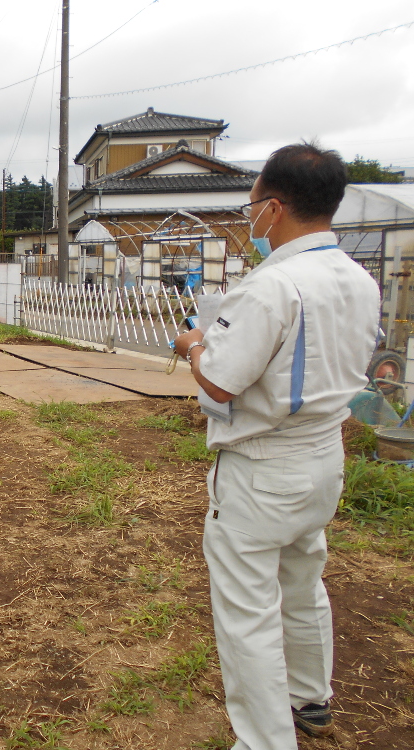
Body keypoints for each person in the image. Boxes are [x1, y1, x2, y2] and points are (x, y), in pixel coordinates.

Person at [173, 143, 380, 750]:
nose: (250, 216)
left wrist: (193, 346)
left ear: (274, 207)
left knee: (248, 611)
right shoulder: (357, 280)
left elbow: (219, 380)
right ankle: (310, 698)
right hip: (323, 454)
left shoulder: (272, 286)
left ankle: (265, 741)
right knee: (303, 577)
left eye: (253, 204)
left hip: (264, 464)